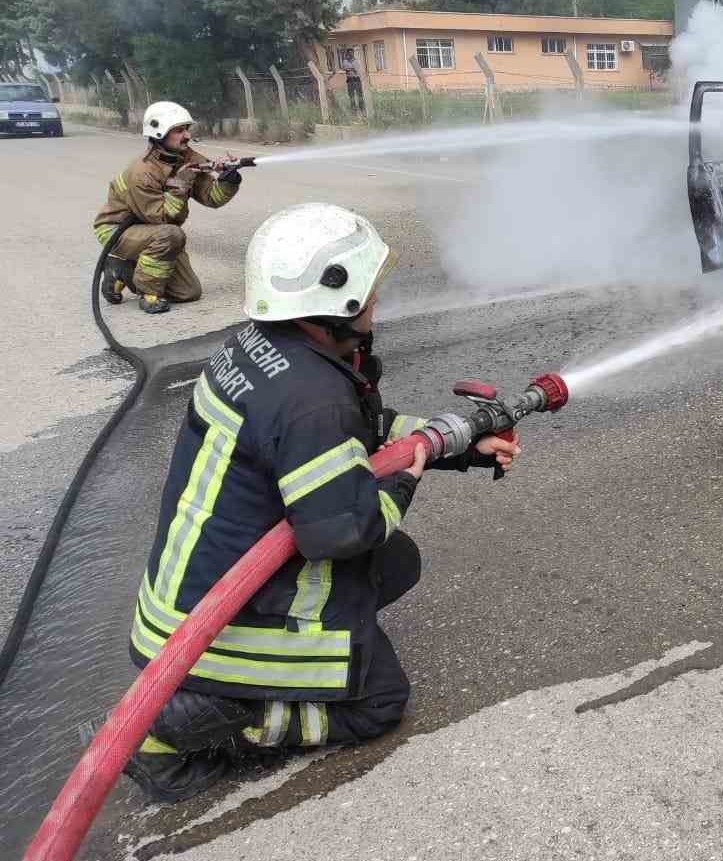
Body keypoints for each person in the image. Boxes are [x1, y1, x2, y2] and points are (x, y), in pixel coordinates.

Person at [121, 203, 521, 802]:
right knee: (381, 703)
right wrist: (403, 484)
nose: (377, 302)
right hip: (213, 633)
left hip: (179, 607)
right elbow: (344, 529)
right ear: (340, 302)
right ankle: (191, 725)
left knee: (398, 562)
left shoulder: (261, 350)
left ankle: (240, 684)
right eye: (371, 293)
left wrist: (461, 445)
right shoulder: (311, 397)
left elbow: (364, 434)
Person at [92, 101, 244, 314]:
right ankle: (148, 294)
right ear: (159, 133)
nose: (187, 136)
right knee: (172, 235)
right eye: (179, 131)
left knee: (188, 292)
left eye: (187, 130)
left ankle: (123, 271)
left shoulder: (187, 159)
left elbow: (212, 198)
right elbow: (160, 218)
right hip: (116, 230)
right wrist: (180, 184)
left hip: (155, 232)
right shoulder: (142, 171)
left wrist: (229, 179)